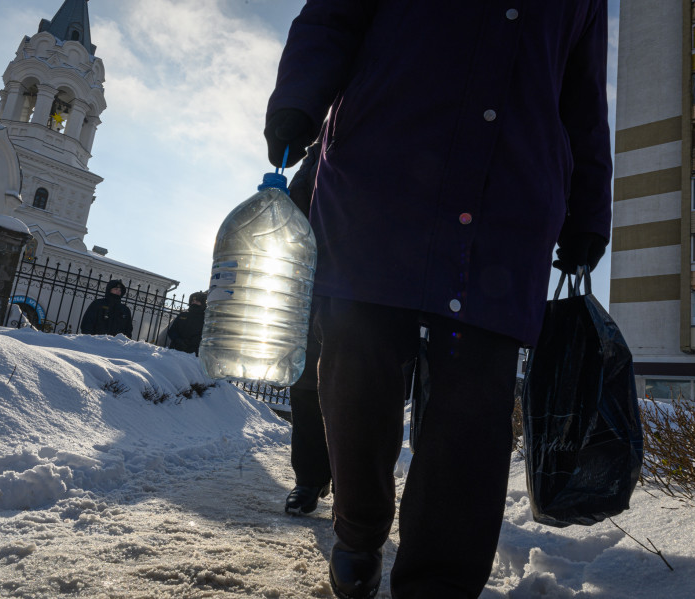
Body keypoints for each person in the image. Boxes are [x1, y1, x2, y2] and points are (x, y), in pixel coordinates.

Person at [264, 3, 612, 598]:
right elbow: (332, 16)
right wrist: (299, 99)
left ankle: (440, 582)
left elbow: (582, 94)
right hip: (382, 173)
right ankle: (359, 528)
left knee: (475, 401)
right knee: (357, 362)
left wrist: (588, 208)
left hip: (508, 199)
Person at [284, 137, 332, 516]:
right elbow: (295, 204)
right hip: (314, 281)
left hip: (370, 282)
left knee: (359, 389)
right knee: (305, 387)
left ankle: (353, 485)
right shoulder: (322, 148)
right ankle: (309, 478)